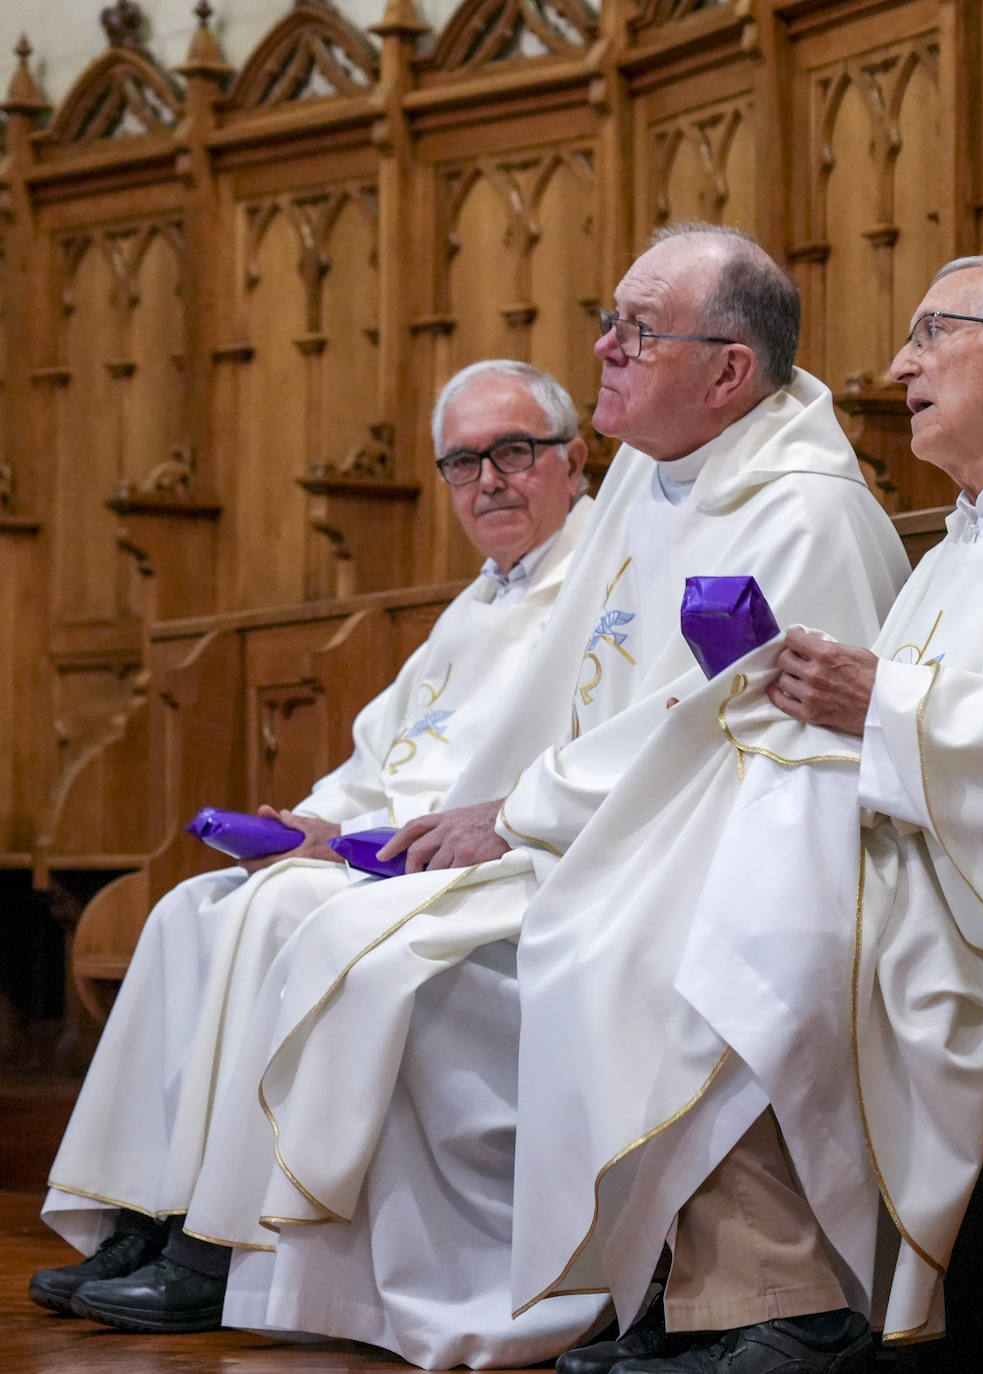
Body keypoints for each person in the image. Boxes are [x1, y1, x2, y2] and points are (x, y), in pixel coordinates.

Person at [143, 223, 911, 1369]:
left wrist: (517, 814)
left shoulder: (798, 508)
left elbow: (735, 721)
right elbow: (567, 696)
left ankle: (735, 1298)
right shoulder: (656, 489)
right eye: (611, 319)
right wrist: (487, 810)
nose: (604, 345)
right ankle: (417, 1284)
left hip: (740, 847)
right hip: (613, 834)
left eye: (637, 331)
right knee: (363, 934)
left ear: (728, 373)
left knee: (475, 956)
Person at [507, 255, 983, 1368]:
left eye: (933, 334)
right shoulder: (969, 537)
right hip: (939, 849)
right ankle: (704, 1287)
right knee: (660, 903)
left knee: (720, 918)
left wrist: (882, 702)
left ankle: (789, 1295)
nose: (898, 365)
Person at [31, 360, 594, 1329]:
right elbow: (386, 754)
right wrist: (315, 823)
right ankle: (148, 1215)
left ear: (573, 458)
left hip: (504, 869)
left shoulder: (602, 579)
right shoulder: (481, 599)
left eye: (512, 452)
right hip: (393, 863)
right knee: (185, 911)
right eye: (462, 462)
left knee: (280, 905)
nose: (489, 480)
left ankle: (219, 1247)